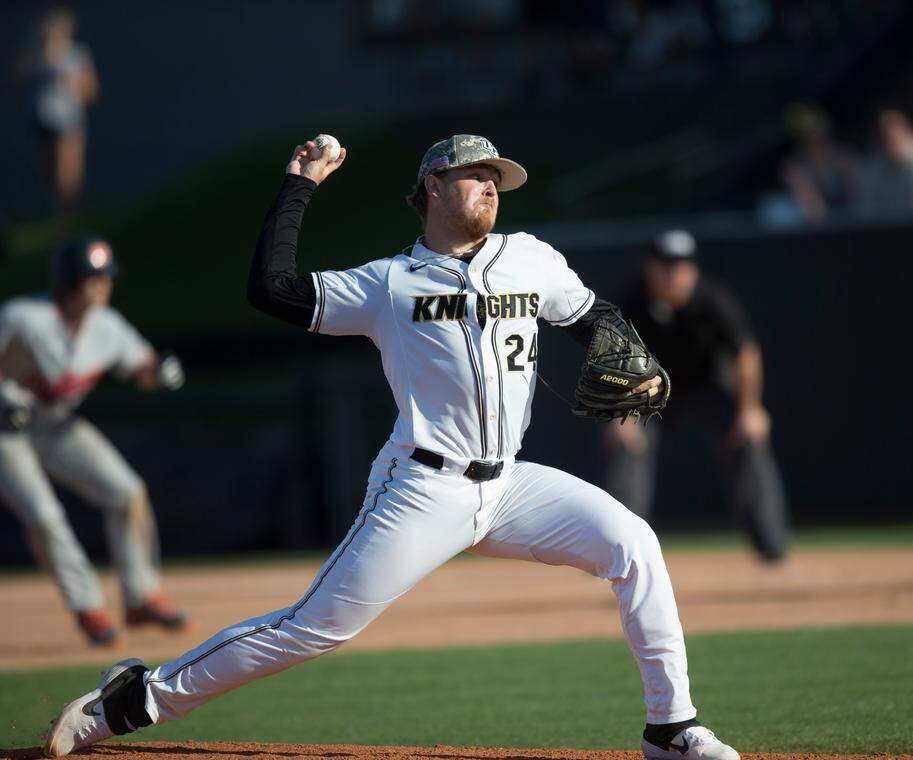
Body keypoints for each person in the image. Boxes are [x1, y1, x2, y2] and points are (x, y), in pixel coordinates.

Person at [43, 135, 741, 760]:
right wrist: (300, 185)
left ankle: (670, 728)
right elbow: (273, 291)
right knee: (313, 629)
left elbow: (593, 315)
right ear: (432, 188)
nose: (492, 185)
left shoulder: (529, 258)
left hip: (511, 487)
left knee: (635, 545)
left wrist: (634, 357)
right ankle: (130, 701)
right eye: (475, 175)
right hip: (423, 487)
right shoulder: (388, 284)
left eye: (497, 176)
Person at [0, 236, 188, 647]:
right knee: (45, 515)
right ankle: (88, 606)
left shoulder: (108, 326)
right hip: (4, 435)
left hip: (54, 425)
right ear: (69, 280)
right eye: (93, 277)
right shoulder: (22, 317)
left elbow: (142, 370)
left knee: (127, 491)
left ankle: (141, 596)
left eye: (106, 278)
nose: (103, 285)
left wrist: (161, 373)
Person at [603, 230, 788, 562]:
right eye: (665, 265)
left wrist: (750, 410)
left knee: (748, 439)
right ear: (650, 268)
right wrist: (621, 414)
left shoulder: (713, 300)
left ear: (694, 270)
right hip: (651, 389)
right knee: (626, 444)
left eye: (682, 265)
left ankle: (771, 546)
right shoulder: (631, 303)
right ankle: (622, 549)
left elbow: (745, 355)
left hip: (708, 385)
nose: (674, 273)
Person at [15, 7, 99, 222]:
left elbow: (91, 91)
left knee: (67, 173)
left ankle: (68, 217)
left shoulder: (76, 54)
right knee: (49, 172)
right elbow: (17, 77)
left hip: (68, 119)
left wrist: (71, 84)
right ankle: (60, 215)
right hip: (41, 118)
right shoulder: (38, 54)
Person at [779, 103, 861, 223]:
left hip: (854, 219)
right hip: (819, 227)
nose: (815, 136)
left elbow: (862, 195)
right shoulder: (794, 167)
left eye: (817, 128)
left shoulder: (845, 156)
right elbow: (814, 210)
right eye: (807, 132)